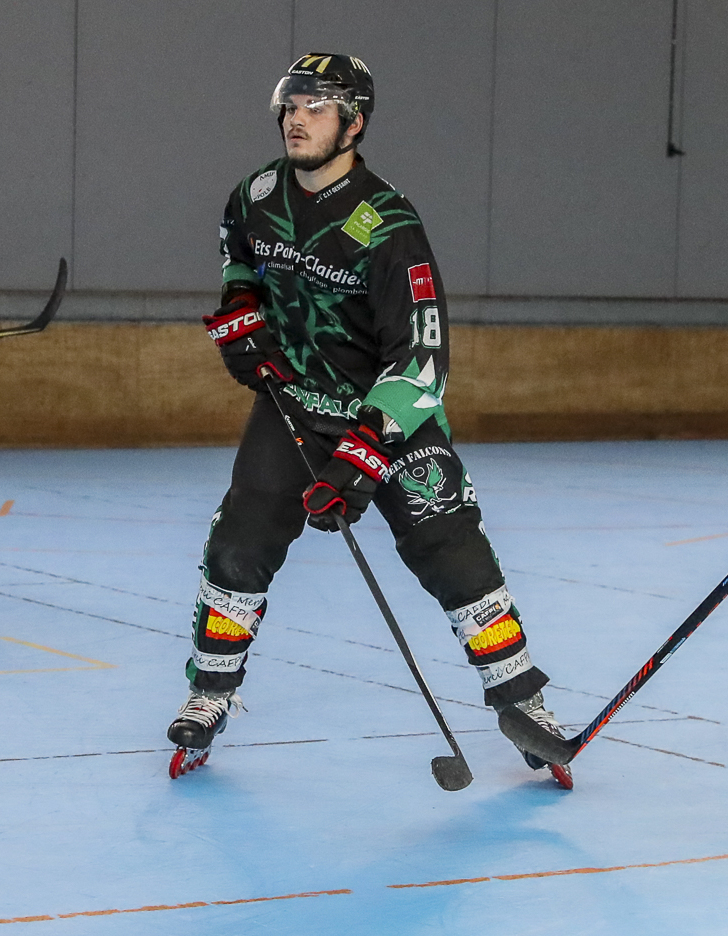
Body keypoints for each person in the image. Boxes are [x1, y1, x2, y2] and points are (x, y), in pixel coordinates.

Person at [164, 53, 570, 788]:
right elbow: (239, 263)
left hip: (388, 416)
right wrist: (241, 316)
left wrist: (361, 456)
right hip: (294, 404)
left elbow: (422, 361)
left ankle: (524, 703)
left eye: (317, 107)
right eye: (291, 105)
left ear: (353, 125)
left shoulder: (388, 225)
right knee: (237, 546)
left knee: (454, 553)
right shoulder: (255, 195)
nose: (297, 119)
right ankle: (210, 692)